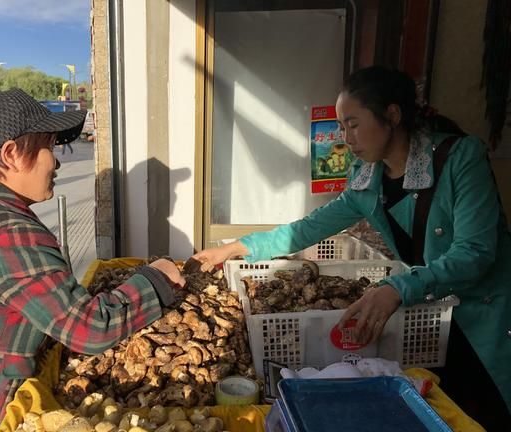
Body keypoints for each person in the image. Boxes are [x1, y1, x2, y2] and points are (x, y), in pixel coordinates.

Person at [193, 66, 511, 430]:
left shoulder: (460, 159)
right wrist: (237, 247)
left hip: (484, 319)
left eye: (353, 124)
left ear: (392, 115)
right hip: (430, 318)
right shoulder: (367, 180)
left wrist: (397, 288)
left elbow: (475, 252)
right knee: (445, 411)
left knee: (490, 411)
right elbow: (308, 229)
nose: (346, 137)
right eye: (342, 127)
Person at [0, 89, 185, 431]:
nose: (56, 161)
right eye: (49, 147)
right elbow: (88, 328)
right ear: (11, 153)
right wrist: (154, 281)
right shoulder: (10, 232)